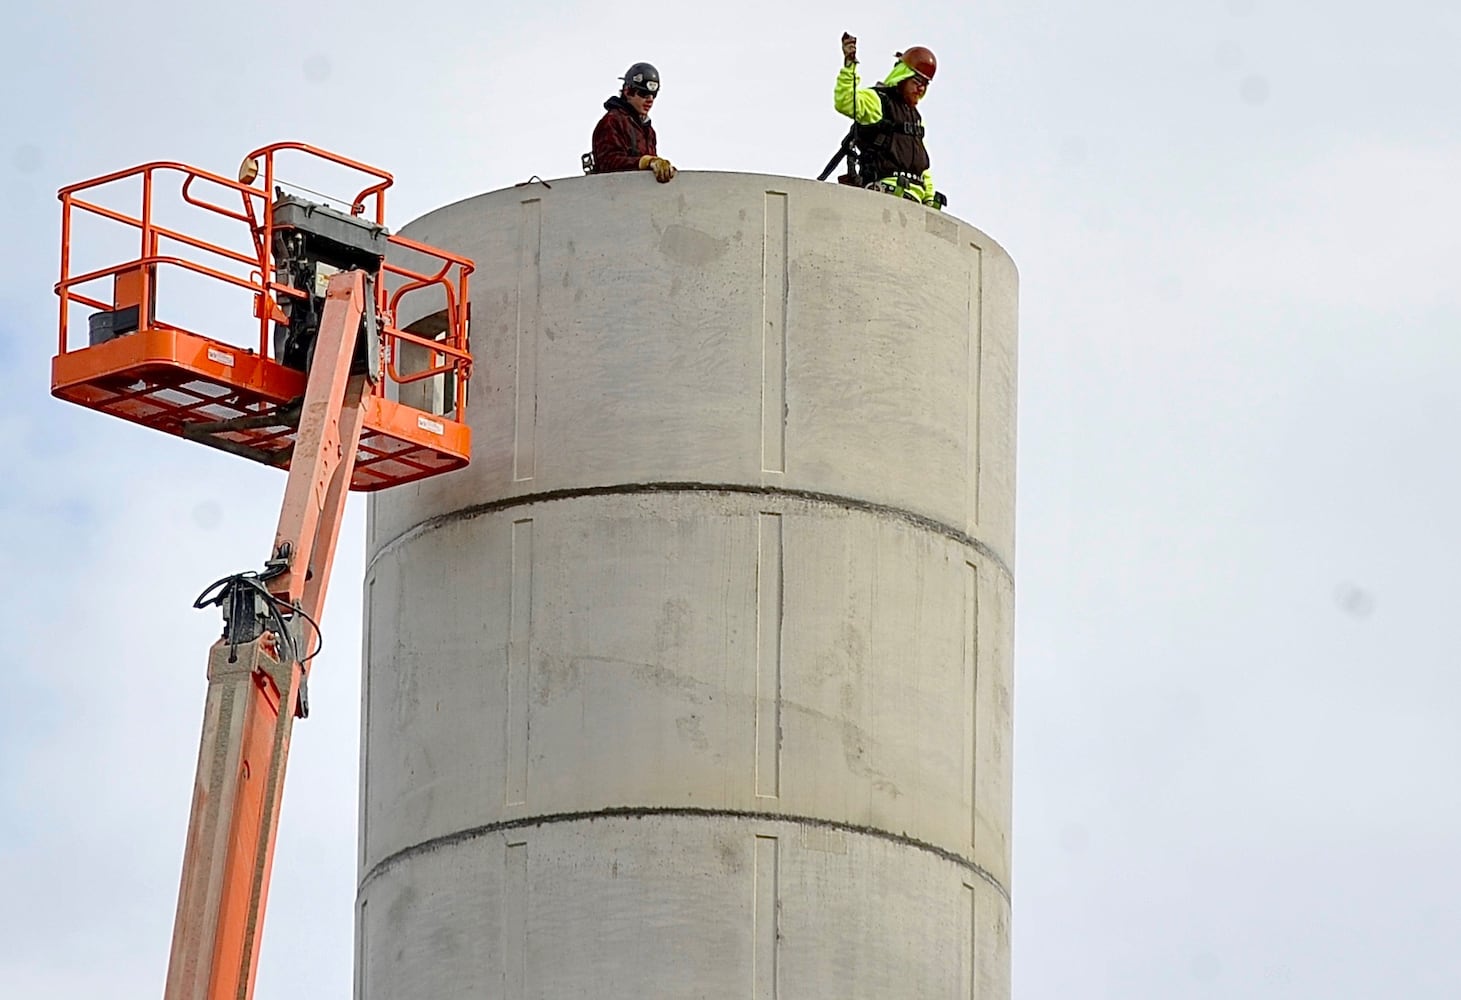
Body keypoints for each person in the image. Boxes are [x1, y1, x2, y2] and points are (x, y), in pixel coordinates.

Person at [832, 34, 943, 208]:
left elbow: (921, 163)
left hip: (915, 201)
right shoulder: (878, 101)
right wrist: (849, 66)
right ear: (903, 76)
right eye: (916, 82)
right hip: (886, 196)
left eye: (925, 85)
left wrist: (929, 197)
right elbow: (845, 101)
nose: (921, 89)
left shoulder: (914, 117)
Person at [589, 62, 677, 183]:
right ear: (627, 91)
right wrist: (645, 162)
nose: (650, 100)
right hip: (615, 196)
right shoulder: (612, 122)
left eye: (653, 95)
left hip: (640, 197)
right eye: (643, 94)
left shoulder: (648, 131)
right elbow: (608, 164)